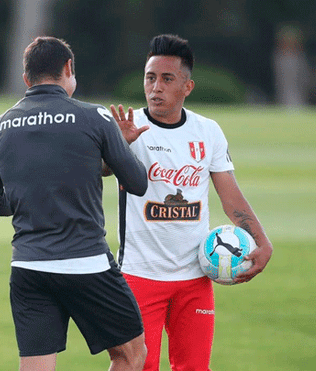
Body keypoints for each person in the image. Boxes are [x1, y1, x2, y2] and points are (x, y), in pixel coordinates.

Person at [0, 36, 149, 371]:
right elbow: (138, 182)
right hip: (87, 264)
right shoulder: (95, 116)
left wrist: (34, 197)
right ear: (68, 68)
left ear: (27, 79)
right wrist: (119, 146)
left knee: (36, 366)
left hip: (28, 267)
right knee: (130, 354)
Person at [108, 34, 273, 371]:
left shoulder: (208, 131)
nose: (156, 87)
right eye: (150, 78)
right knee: (139, 366)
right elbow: (99, 171)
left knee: (195, 367)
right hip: (140, 276)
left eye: (167, 79)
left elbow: (231, 197)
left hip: (195, 277)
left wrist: (262, 241)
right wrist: (117, 147)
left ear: (187, 86)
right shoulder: (129, 126)